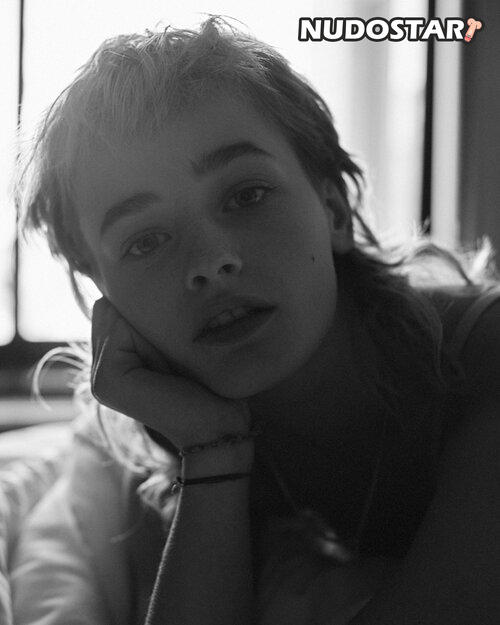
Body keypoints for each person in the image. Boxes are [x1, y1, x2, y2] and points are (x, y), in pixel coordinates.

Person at [9, 15, 500, 625]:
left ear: (335, 210)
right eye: (146, 241)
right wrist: (211, 451)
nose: (210, 262)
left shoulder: (485, 362)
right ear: (105, 295)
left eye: (246, 196)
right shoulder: (168, 433)